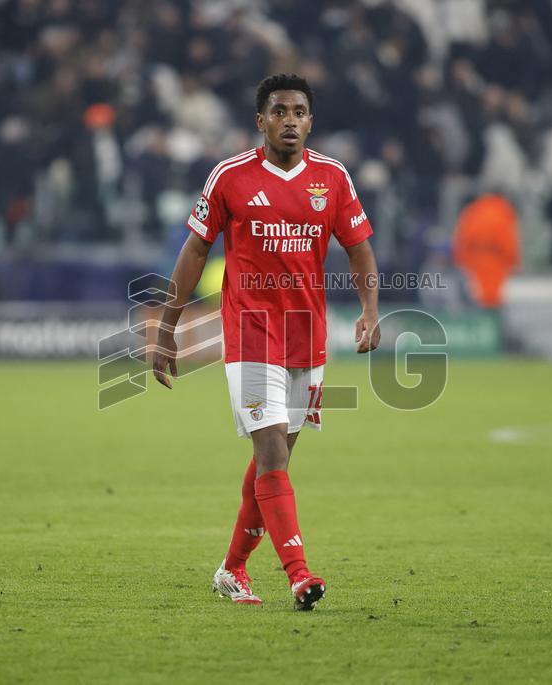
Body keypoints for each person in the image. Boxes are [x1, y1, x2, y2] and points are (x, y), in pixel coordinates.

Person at [151, 74, 380, 610]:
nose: (290, 121)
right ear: (261, 121)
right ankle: (300, 575)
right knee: (272, 452)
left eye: (299, 111)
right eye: (279, 112)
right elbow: (193, 251)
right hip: (251, 332)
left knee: (272, 461)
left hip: (308, 339)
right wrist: (167, 327)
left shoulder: (332, 177)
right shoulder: (230, 177)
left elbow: (360, 248)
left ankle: (232, 569)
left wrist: (371, 310)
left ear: (311, 121)